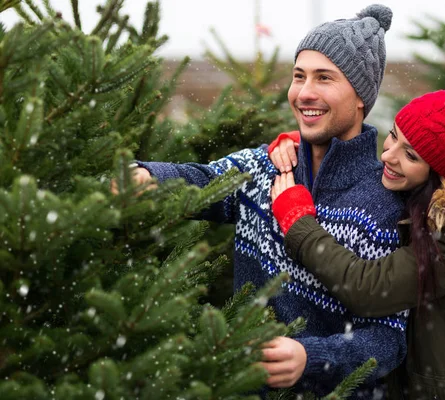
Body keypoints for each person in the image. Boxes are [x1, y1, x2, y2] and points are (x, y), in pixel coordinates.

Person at [119, 5, 410, 397]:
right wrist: (148, 176)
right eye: (298, 76)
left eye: (324, 78)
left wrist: (311, 356)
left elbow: (388, 340)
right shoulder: (267, 166)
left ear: (361, 97)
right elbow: (204, 180)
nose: (305, 92)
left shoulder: (386, 206)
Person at [269, 74, 445, 400]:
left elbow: (369, 288)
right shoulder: (422, 194)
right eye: (392, 137)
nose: (388, 156)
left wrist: (298, 224)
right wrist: (309, 150)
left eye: (410, 155)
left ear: (442, 172)